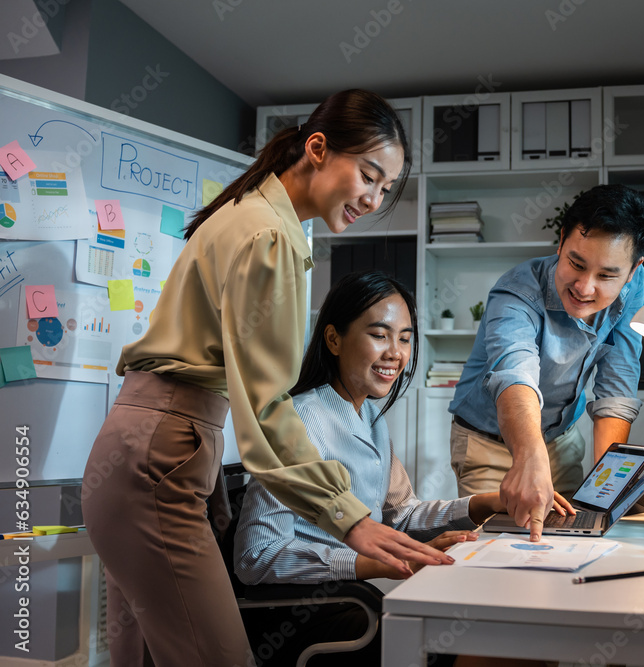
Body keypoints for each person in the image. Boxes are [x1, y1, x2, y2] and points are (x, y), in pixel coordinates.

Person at [81, 89, 449, 667]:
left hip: (141, 450)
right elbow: (265, 407)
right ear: (319, 148)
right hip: (157, 457)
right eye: (370, 177)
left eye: (385, 189)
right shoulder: (270, 235)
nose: (374, 200)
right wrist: (348, 519)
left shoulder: (250, 213)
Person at [235, 270, 506, 665]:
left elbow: (402, 513)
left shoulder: (371, 417)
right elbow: (257, 556)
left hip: (354, 603)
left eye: (405, 338)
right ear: (334, 339)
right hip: (311, 617)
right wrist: (372, 564)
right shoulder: (303, 420)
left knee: (485, 628)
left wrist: (487, 503)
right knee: (479, 640)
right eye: (379, 335)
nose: (395, 352)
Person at [448, 184, 644, 542]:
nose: (585, 287)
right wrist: (530, 459)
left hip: (560, 441)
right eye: (576, 264)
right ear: (561, 241)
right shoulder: (516, 291)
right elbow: (514, 376)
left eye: (607, 276)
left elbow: (617, 379)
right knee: (497, 553)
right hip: (488, 443)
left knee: (580, 538)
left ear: (632, 270)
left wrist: (605, 484)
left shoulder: (633, 284)